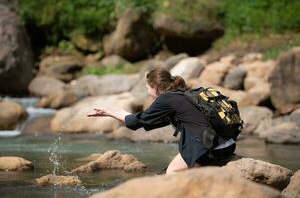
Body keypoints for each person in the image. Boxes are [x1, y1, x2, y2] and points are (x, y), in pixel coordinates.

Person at [87, 68, 236, 174]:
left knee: (172, 173)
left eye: (147, 87)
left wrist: (110, 113)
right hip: (227, 144)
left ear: (155, 87)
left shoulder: (166, 99)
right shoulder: (183, 95)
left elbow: (138, 121)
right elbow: (150, 121)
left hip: (209, 148)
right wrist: (122, 114)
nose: (147, 91)